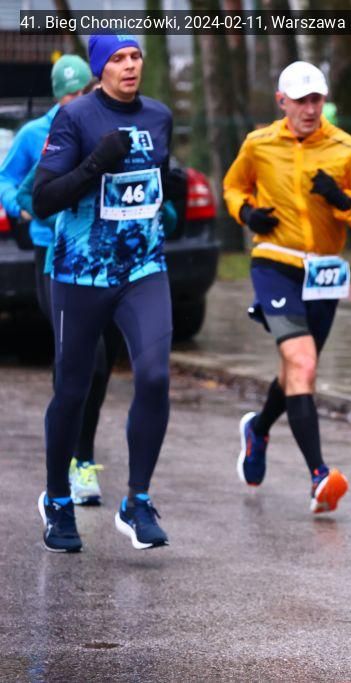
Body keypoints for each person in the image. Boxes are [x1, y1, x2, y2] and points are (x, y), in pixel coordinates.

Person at [33, 35, 186, 552]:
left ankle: (137, 501)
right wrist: (96, 162)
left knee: (155, 376)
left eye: (135, 56)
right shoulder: (75, 118)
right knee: (73, 390)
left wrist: (172, 198)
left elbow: (154, 188)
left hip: (144, 268)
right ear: (100, 69)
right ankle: (58, 500)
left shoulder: (159, 116)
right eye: (118, 58)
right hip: (80, 274)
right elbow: (44, 198)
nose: (130, 65)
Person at [224, 61, 351, 514]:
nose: (310, 110)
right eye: (301, 101)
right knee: (303, 361)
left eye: (316, 100)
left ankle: (258, 430)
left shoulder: (347, 150)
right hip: (274, 263)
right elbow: (233, 187)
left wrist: (340, 200)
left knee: (299, 371)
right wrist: (247, 214)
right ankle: (319, 475)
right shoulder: (259, 144)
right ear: (282, 102)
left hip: (324, 273)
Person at [0, 56, 111, 507]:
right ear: (57, 95)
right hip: (52, 255)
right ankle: (73, 460)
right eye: (69, 95)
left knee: (98, 362)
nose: (77, 101)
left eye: (83, 92)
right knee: (78, 355)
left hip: (99, 254)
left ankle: (81, 453)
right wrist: (22, 209)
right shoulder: (34, 134)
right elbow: (8, 181)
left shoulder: (102, 125)